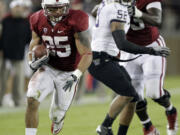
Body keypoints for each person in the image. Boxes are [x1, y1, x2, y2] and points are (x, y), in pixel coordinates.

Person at [88, 0, 170, 135]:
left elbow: (95, 11)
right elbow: (122, 44)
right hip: (101, 59)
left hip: (107, 57)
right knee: (128, 94)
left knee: (134, 97)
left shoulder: (107, 4)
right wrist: (151, 51)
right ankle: (104, 127)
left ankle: (125, 131)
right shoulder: (118, 9)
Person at [25, 0, 92, 135]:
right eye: (53, 9)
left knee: (56, 115)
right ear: (44, 8)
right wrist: (32, 60)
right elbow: (34, 42)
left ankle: (58, 121)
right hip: (48, 68)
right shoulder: (37, 18)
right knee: (32, 98)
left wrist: (76, 75)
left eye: (61, 8)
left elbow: (87, 53)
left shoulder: (76, 19)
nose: (58, 12)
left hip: (69, 72)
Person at [118, 0, 178, 135]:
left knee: (154, 93)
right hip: (130, 50)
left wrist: (138, 13)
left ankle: (171, 110)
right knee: (134, 96)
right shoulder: (113, 2)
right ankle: (148, 126)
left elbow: (157, 19)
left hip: (152, 46)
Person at [0, 0, 31, 107]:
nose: (18, 9)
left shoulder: (26, 22)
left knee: (19, 79)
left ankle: (17, 101)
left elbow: (28, 39)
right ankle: (1, 100)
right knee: (3, 80)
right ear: (12, 8)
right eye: (16, 7)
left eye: (20, 7)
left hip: (19, 55)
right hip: (5, 56)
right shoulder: (5, 21)